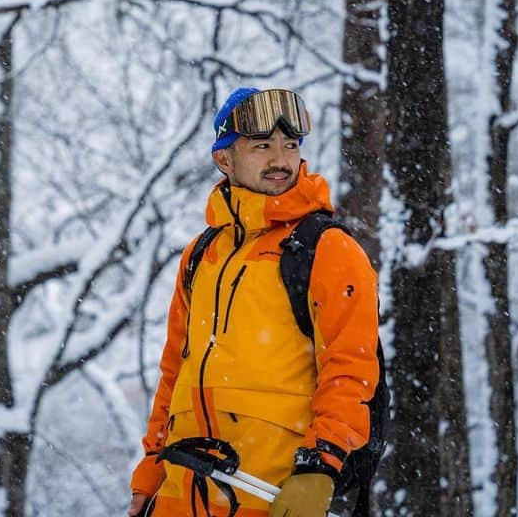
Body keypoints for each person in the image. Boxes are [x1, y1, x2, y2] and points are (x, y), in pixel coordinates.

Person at [127, 87, 380, 517]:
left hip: (269, 497)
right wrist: (150, 471)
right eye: (262, 146)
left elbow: (351, 369)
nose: (280, 159)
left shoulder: (326, 249)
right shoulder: (200, 255)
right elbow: (175, 373)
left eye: (291, 144)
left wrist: (320, 467)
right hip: (179, 496)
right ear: (224, 159)